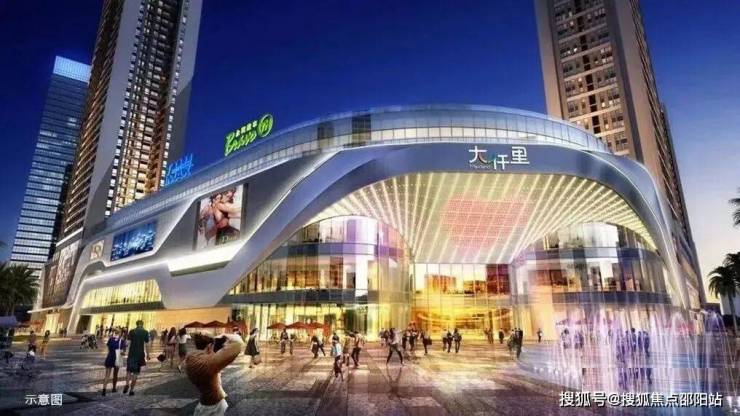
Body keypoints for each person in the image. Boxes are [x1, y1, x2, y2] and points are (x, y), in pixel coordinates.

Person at [185, 333, 244, 416]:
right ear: (209, 346)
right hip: (215, 406)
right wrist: (225, 334)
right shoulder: (208, 363)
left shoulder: (191, 359)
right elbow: (238, 344)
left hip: (203, 403)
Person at [123, 320, 150, 396]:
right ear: (142, 324)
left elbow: (127, 343)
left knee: (128, 371)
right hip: (139, 355)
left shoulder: (132, 331)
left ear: (136, 324)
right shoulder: (145, 332)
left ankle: (127, 384)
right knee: (135, 373)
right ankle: (131, 390)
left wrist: (124, 350)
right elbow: (147, 345)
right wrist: (148, 355)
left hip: (131, 354)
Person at [102, 328, 127, 396]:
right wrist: (123, 353)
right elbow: (123, 352)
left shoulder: (110, 339)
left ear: (114, 332)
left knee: (107, 375)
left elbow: (108, 348)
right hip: (117, 357)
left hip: (110, 356)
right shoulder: (122, 341)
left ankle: (104, 389)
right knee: (115, 374)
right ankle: (114, 388)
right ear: (120, 333)